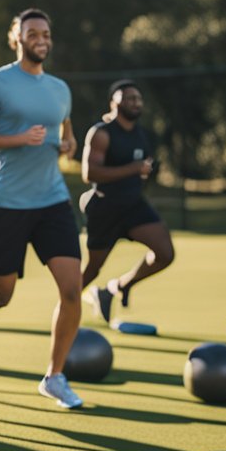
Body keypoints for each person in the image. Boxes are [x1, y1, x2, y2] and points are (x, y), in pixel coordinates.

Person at [0, 8, 84, 409]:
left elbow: (66, 133)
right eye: (32, 33)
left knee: (72, 289)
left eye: (45, 33)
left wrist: (68, 145)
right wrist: (18, 139)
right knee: (2, 294)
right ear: (16, 37)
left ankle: (55, 376)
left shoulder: (60, 88)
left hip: (52, 200)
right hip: (7, 202)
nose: (40, 39)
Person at [80, 80, 175, 323]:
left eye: (138, 98)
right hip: (106, 208)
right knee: (92, 269)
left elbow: (144, 170)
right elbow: (90, 173)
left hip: (134, 206)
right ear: (114, 103)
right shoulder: (101, 133)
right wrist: (133, 168)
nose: (135, 102)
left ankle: (116, 287)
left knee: (165, 253)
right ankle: (65, 305)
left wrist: (142, 173)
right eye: (129, 98)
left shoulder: (142, 135)